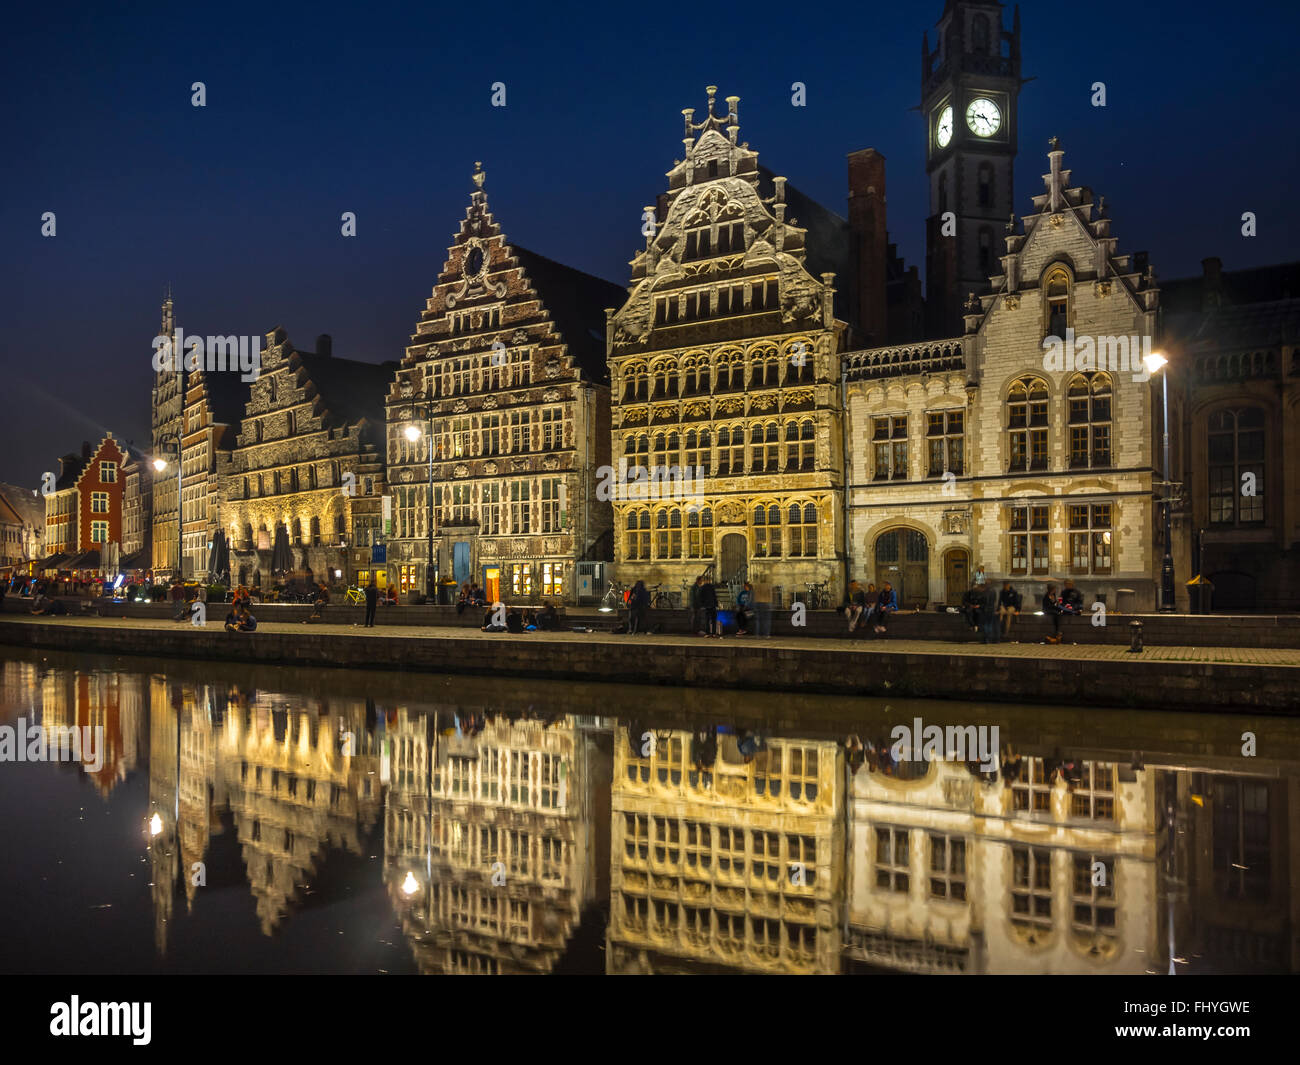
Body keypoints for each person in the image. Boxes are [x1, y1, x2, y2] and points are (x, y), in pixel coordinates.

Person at [752, 571, 773, 638]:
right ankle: (766, 634)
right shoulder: (768, 585)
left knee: (758, 620)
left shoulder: (757, 585)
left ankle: (757, 634)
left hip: (758, 603)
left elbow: (754, 595)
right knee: (766, 620)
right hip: (766, 603)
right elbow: (770, 596)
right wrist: (771, 604)